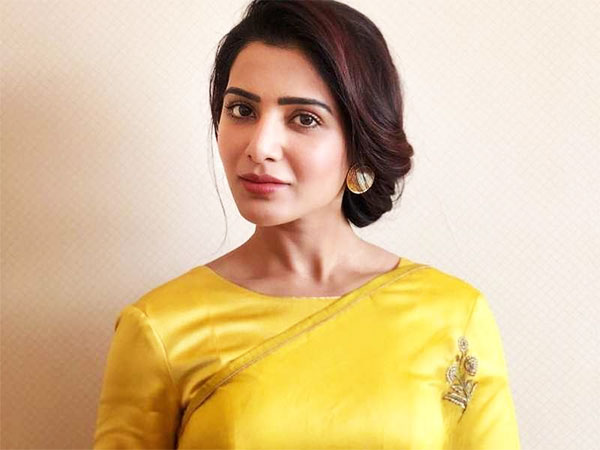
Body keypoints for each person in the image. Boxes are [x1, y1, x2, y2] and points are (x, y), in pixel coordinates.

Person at [92, 0, 521, 448]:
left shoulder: (452, 315)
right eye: (242, 110)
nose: (260, 147)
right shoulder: (161, 326)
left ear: (360, 141)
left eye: (304, 118)